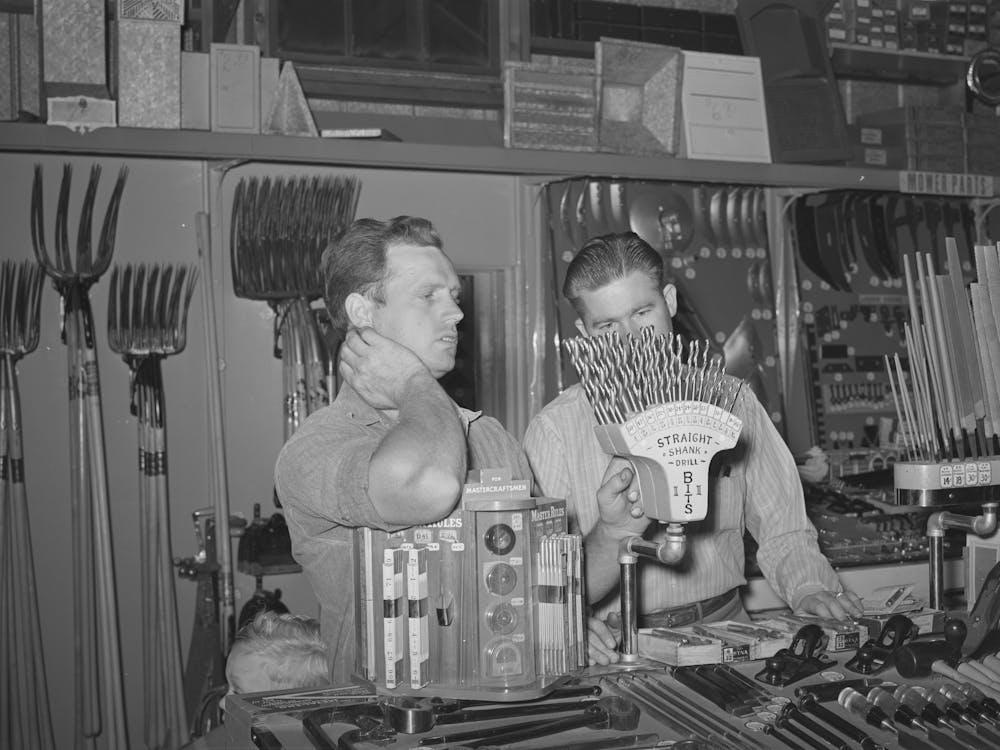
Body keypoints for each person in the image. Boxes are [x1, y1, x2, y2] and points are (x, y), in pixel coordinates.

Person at [522, 232, 864, 665]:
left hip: (726, 633)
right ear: (583, 332)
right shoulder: (554, 430)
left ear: (669, 300)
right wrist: (561, 617)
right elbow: (538, 577)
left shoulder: (733, 401)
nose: (632, 340)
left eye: (642, 312)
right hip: (615, 647)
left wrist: (810, 587)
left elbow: (784, 527)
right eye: (607, 326)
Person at [274, 216, 531, 684]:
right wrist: (413, 381)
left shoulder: (490, 436)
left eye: (454, 296)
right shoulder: (315, 448)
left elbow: (528, 582)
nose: (455, 313)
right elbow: (427, 484)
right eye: (428, 295)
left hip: (498, 714)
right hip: (381, 726)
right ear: (363, 311)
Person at [182, 611, 330, 750]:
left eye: (237, 692)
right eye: (230, 687)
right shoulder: (236, 733)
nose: (221, 703)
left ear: (288, 718)